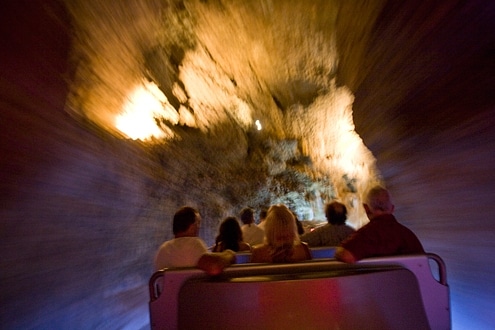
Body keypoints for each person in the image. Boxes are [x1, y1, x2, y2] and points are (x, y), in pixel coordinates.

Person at [335, 186, 425, 263]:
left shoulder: (368, 234)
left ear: (366, 208)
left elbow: (346, 255)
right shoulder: (409, 236)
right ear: (392, 209)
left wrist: (338, 251)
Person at [154, 206, 235, 275]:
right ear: (193, 226)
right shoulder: (193, 243)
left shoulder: (163, 249)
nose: (199, 227)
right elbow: (214, 267)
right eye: (198, 223)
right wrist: (229, 254)